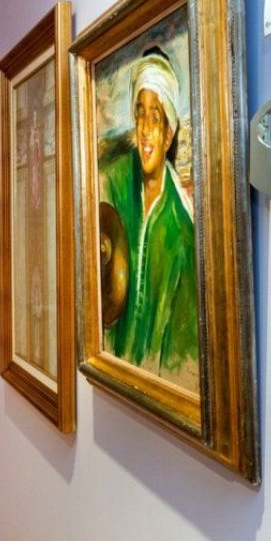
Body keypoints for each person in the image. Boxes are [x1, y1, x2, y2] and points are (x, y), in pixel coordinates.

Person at [99, 47, 198, 378]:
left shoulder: (181, 233)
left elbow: (182, 359)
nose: (144, 130)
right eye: (140, 115)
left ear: (168, 135)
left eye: (155, 119)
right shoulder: (114, 181)